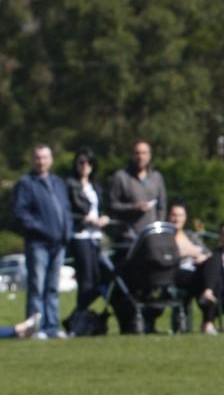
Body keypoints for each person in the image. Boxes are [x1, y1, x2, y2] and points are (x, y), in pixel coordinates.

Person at [12, 143, 72, 339]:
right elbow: (21, 213)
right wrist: (42, 230)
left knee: (53, 287)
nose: (41, 161)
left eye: (45, 157)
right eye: (38, 157)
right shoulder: (26, 183)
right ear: (33, 160)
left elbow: (65, 210)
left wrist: (66, 231)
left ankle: (52, 326)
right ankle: (35, 327)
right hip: (38, 243)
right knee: (37, 286)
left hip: (59, 243)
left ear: (51, 159)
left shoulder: (58, 182)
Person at [64, 147, 110, 316]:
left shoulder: (95, 186)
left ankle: (82, 314)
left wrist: (104, 218)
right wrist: (84, 219)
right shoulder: (70, 185)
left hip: (96, 235)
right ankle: (79, 316)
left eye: (89, 162)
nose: (85, 166)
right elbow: (67, 211)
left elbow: (102, 208)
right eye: (81, 162)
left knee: (99, 277)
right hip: (80, 235)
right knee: (86, 278)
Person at [107, 140, 168, 243]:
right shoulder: (121, 177)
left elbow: (162, 205)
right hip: (127, 235)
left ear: (150, 155)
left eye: (144, 153)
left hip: (151, 235)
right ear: (132, 155)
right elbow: (111, 205)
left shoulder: (156, 177)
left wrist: (158, 228)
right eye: (137, 153)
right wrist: (133, 207)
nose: (140, 157)